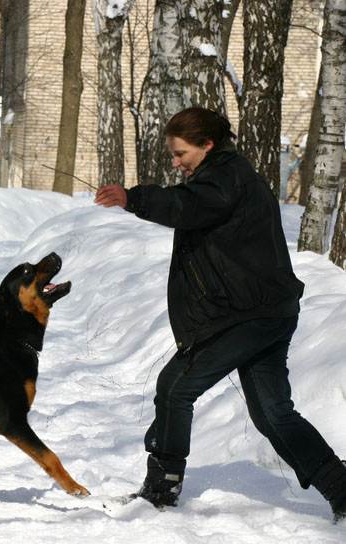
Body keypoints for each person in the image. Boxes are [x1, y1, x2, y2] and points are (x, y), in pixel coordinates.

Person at [94, 106, 346, 523]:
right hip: (265, 311)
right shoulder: (224, 175)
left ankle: (161, 490)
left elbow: (187, 205)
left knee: (175, 387)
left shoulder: (226, 178)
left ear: (207, 144)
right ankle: (342, 490)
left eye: (181, 153)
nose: (176, 163)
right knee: (273, 414)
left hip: (248, 315)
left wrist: (132, 197)